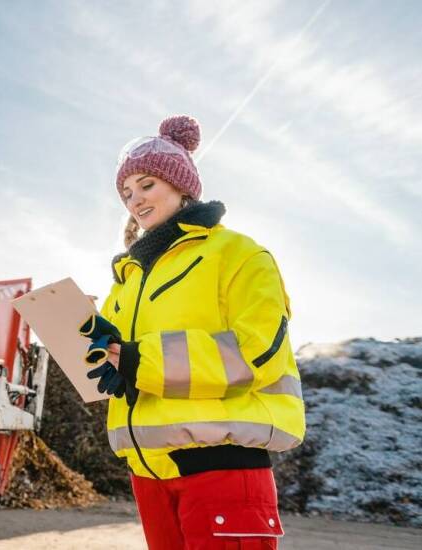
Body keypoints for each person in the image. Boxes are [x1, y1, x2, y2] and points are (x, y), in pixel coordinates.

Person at [85, 115, 306, 549]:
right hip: (148, 472)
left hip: (222, 468)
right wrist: (101, 356)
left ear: (182, 184)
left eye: (146, 184)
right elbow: (120, 356)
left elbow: (256, 353)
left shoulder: (239, 254)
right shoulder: (127, 278)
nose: (135, 200)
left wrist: (136, 360)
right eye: (127, 193)